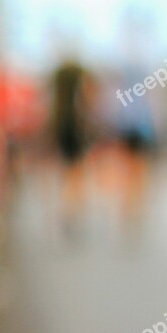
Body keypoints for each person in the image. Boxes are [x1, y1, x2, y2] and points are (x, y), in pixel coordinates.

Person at [51, 59, 95, 235]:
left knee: (68, 172)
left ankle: (68, 209)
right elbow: (88, 101)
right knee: (77, 174)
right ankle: (72, 210)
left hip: (62, 128)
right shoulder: (81, 83)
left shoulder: (59, 92)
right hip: (76, 130)